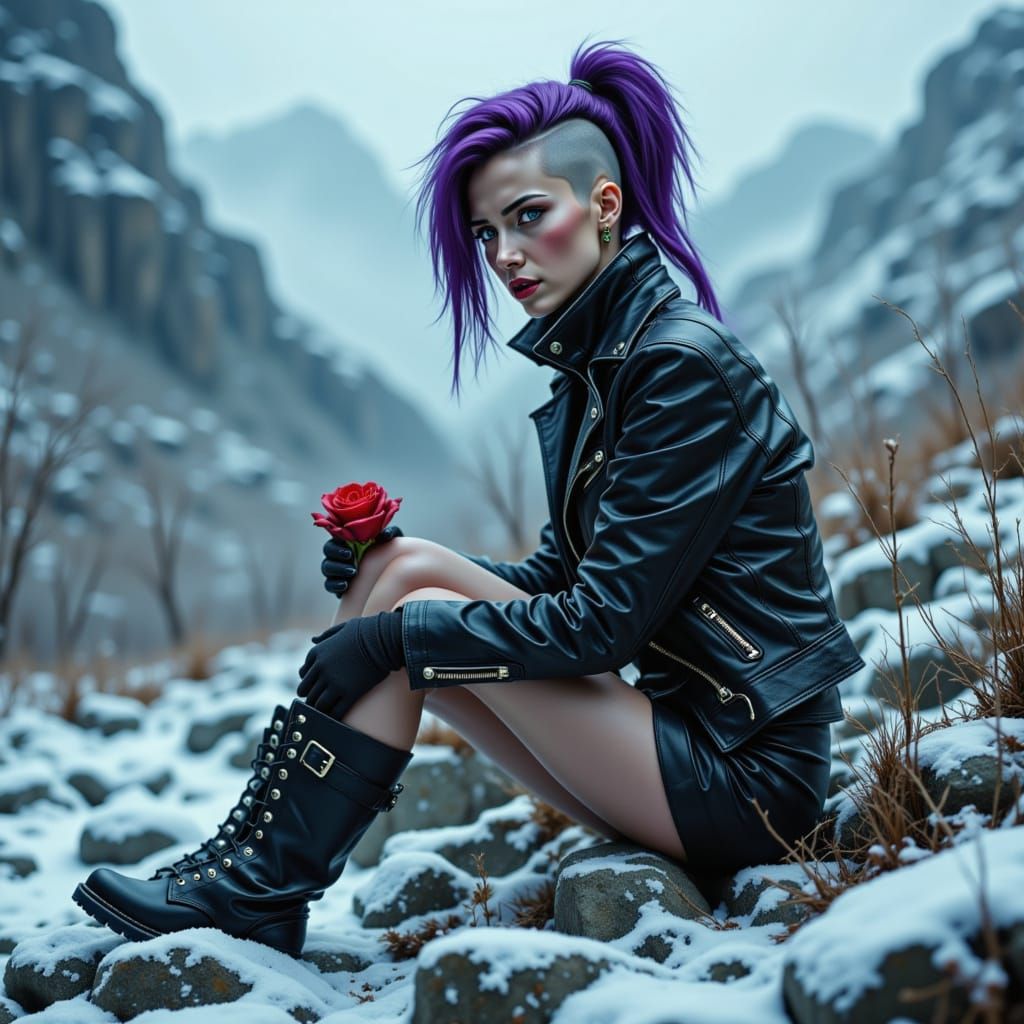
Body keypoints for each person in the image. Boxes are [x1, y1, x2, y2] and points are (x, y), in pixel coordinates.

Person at [72, 38, 864, 958]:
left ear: (605, 207)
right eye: (489, 233)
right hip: (676, 743)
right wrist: (391, 585)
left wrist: (400, 634)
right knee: (399, 566)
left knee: (413, 611)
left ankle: (262, 884)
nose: (505, 256)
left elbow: (599, 627)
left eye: (529, 218)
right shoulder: (596, 369)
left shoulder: (676, 366)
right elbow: (562, 577)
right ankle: (257, 869)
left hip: (745, 781)